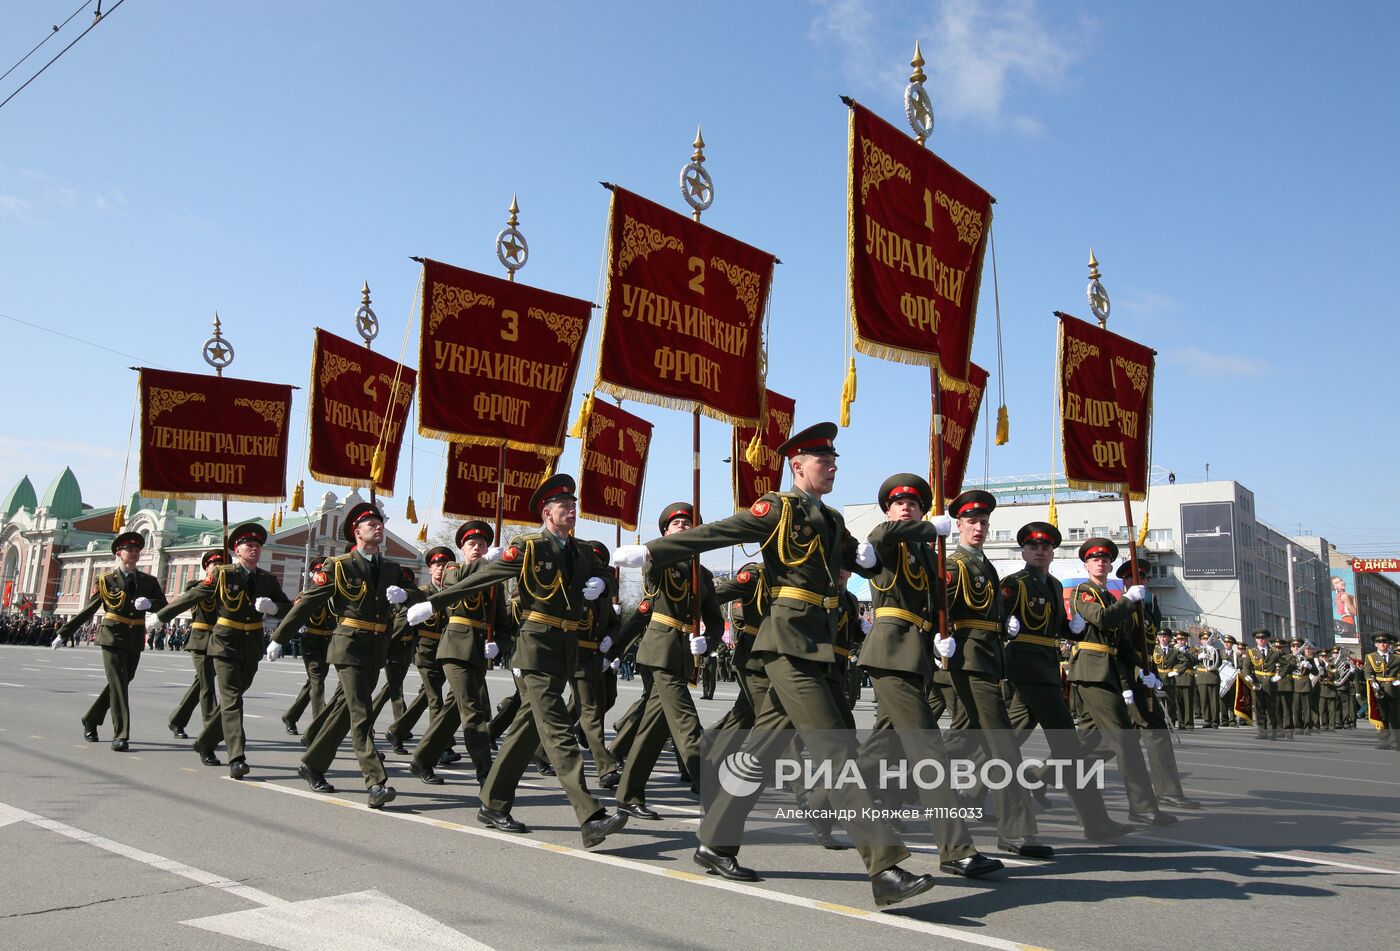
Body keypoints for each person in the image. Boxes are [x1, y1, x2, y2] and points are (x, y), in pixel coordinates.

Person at [612, 423, 938, 909]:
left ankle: (716, 840)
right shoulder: (779, 508)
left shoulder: (830, 519)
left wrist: (892, 542)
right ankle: (885, 865)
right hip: (788, 645)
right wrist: (652, 551)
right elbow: (719, 532)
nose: (831, 465)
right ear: (797, 465)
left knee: (763, 748)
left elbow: (867, 561)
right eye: (822, 459)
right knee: (836, 750)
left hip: (819, 647)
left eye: (834, 459)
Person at [407, 474, 628, 849]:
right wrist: (435, 602)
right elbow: (483, 579)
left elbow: (606, 573)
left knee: (527, 728)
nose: (572, 510)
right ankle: (590, 815)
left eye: (573, 505)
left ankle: (492, 803)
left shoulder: (582, 551)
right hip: (536, 647)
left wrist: (605, 584)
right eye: (564, 506)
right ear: (547, 512)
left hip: (566, 648)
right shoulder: (529, 547)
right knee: (558, 729)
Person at [854, 473, 1005, 867]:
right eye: (900, 503)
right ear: (889, 509)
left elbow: (938, 602)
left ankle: (823, 794)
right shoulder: (890, 539)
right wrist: (924, 527)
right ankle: (956, 849)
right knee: (930, 751)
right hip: (889, 652)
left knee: (882, 746)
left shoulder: (928, 554)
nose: (907, 507)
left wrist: (941, 636)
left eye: (917, 504)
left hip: (916, 654)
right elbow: (881, 537)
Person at [267, 503, 413, 808]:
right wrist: (280, 636)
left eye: (380, 522)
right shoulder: (339, 565)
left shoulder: (391, 569)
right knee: (362, 713)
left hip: (376, 648)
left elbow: (421, 597)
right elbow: (307, 602)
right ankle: (376, 783)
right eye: (370, 523)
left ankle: (313, 764)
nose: (378, 526)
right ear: (356, 532)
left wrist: (408, 595)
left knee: (347, 711)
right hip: (348, 646)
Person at [1001, 520, 1134, 841]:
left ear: (1052, 553)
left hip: (1046, 668)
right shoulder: (1014, 583)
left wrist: (1070, 629)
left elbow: (1056, 626)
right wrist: (1004, 624)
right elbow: (994, 616)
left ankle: (971, 792)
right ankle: (1095, 821)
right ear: (1023, 550)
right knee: (1068, 745)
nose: (1040, 552)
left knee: (1006, 736)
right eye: (1033, 547)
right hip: (1024, 666)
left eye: (1046, 548)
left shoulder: (1054, 585)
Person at [937, 489, 1050, 856]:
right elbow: (938, 609)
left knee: (962, 741)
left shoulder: (985, 565)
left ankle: (895, 778)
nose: (979, 528)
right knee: (1002, 746)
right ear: (958, 525)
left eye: (984, 523)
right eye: (972, 522)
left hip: (988, 661)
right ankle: (1015, 831)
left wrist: (1006, 625)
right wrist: (939, 642)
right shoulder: (954, 565)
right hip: (968, 662)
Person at [613, 501, 723, 821]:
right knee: (686, 721)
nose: (682, 529)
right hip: (660, 649)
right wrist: (656, 548)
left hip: (684, 652)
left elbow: (715, 620)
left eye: (688, 526)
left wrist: (708, 641)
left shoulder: (702, 574)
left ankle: (629, 794)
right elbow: (650, 564)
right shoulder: (659, 560)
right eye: (675, 526)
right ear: (664, 533)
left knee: (652, 730)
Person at [155, 523, 291, 777]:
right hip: (225, 641)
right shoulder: (223, 574)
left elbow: (289, 607)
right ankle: (237, 757)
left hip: (252, 644)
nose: (254, 548)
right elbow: (194, 595)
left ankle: (205, 742)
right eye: (248, 545)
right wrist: (162, 616)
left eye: (257, 545)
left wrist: (274, 609)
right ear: (236, 550)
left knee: (238, 693)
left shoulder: (267, 579)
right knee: (232, 700)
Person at [1066, 538, 1173, 825]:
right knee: (1124, 739)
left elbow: (1124, 644)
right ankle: (1141, 806)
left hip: (1110, 670)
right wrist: (1129, 600)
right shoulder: (1083, 592)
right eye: (1094, 559)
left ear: (1110, 565)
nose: (1100, 563)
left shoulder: (1112, 598)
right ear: (1086, 565)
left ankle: (1040, 776)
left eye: (1104, 559)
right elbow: (1102, 620)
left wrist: (1143, 670)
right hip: (1092, 670)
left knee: (1089, 741)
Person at [406, 529, 516, 785]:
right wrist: (487, 563)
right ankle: (486, 774)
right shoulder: (452, 571)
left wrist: (498, 644)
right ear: (462, 549)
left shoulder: (494, 583)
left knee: (453, 710)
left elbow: (503, 625)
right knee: (473, 710)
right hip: (455, 648)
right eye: (472, 544)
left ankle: (422, 758)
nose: (477, 548)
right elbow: (460, 581)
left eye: (482, 544)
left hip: (478, 651)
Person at [57, 531, 168, 751]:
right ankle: (121, 734)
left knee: (123, 681)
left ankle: (91, 718)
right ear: (119, 553)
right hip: (112, 635)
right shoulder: (106, 580)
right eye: (130, 550)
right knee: (119, 684)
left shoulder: (149, 581)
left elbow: (164, 605)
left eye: (137, 550)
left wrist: (151, 605)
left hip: (135, 636)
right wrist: (64, 632)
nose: (134, 553)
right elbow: (89, 609)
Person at [163, 549, 227, 744]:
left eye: (221, 565)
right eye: (213, 564)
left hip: (220, 641)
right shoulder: (197, 586)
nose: (217, 568)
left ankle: (177, 720)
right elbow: (195, 595)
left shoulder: (228, 590)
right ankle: (210, 731)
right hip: (200, 640)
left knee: (201, 682)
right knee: (207, 684)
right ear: (206, 567)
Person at [280, 555, 335, 735]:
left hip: (328, 643)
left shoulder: (334, 594)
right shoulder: (305, 595)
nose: (322, 574)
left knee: (312, 683)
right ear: (312, 575)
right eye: (318, 571)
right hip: (310, 641)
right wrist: (280, 639)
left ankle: (291, 716)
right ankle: (320, 726)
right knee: (317, 681)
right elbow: (295, 617)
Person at [1242, 630, 1284, 740]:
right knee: (1259, 708)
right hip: (1257, 682)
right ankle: (1262, 732)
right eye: (1258, 638)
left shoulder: (1275, 652)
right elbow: (1246, 665)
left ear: (1267, 639)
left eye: (1263, 638)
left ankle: (1272, 732)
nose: (1261, 640)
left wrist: (1280, 675)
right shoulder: (1251, 652)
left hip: (1270, 682)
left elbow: (1287, 664)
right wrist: (1247, 675)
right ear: (1255, 639)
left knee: (1271, 708)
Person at [1364, 632, 1400, 750]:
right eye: (1379, 642)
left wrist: (1398, 681)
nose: (1382, 644)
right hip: (1378, 689)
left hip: (1394, 689)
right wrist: (1372, 682)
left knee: (1394, 717)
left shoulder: (1397, 658)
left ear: (1389, 644)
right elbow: (1368, 672)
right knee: (1382, 716)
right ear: (1376, 644)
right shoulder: (1370, 657)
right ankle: (1383, 741)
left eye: (1385, 642)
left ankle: (1395, 742)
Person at [1194, 632, 1221, 728]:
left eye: (1207, 639)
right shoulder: (1197, 650)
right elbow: (1192, 660)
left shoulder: (1216, 650)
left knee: (1214, 701)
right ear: (1201, 640)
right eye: (1204, 639)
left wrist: (1213, 653)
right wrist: (1198, 657)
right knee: (1204, 700)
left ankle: (1215, 720)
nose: (1206, 641)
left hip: (1212, 676)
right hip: (1202, 677)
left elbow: (1219, 662)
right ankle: (1207, 720)